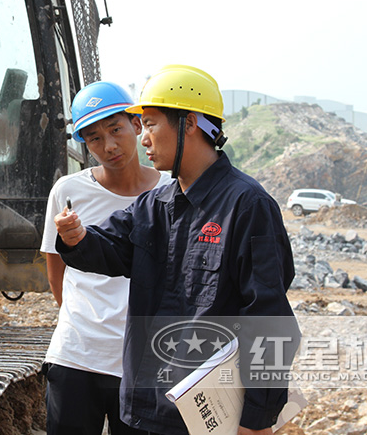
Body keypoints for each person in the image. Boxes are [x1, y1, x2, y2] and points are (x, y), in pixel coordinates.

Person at [54, 65, 298, 435]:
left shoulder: (247, 206)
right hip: (147, 409)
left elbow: (270, 317)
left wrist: (256, 419)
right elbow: (109, 248)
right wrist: (76, 239)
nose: (144, 138)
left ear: (189, 124)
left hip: (207, 418)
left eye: (151, 124)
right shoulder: (156, 205)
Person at [41, 81, 171, 435]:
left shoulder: (171, 190)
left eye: (116, 129)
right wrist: (84, 325)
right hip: (77, 355)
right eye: (95, 137)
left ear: (137, 124)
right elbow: (57, 272)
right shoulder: (68, 192)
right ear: (84, 143)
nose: (109, 145)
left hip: (145, 361)